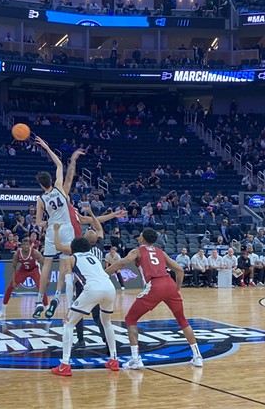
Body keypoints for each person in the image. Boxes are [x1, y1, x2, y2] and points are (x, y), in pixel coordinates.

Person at [105, 228, 203, 369]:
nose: (138, 237)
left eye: (140, 235)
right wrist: (176, 289)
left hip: (155, 286)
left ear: (143, 238)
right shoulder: (160, 252)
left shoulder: (137, 251)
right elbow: (179, 270)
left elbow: (121, 263)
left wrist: (104, 273)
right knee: (182, 320)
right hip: (169, 284)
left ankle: (135, 359)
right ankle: (197, 357)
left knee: (130, 319)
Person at [50, 231, 119, 376]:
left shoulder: (71, 258)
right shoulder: (94, 256)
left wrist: (69, 307)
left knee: (68, 323)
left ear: (73, 249)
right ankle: (114, 359)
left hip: (92, 289)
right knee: (107, 323)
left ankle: (65, 364)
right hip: (110, 288)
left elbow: (69, 284)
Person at [32, 136, 81, 319]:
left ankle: (39, 301)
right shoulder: (60, 188)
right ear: (51, 181)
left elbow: (38, 223)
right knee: (64, 264)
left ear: (40, 184)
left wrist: (49, 223)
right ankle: (57, 298)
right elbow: (60, 164)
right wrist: (45, 145)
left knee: (46, 265)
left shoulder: (40, 199)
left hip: (52, 230)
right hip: (66, 229)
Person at [0, 239, 47, 318]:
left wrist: (46, 277)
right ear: (21, 245)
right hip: (23, 270)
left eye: (27, 245)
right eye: (24, 244)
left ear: (30, 246)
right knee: (9, 288)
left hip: (34, 269)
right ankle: (2, 311)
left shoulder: (35, 253)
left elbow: (45, 264)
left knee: (41, 288)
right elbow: (13, 266)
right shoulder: (17, 254)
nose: (26, 246)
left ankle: (47, 309)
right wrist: (13, 279)